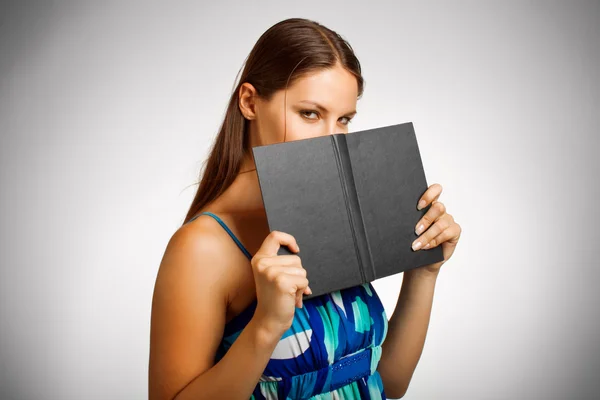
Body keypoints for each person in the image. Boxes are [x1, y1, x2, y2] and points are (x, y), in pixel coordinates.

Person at [148, 17, 462, 400]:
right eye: (310, 114)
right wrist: (265, 326)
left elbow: (388, 385)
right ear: (249, 102)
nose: (332, 139)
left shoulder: (334, 220)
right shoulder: (201, 248)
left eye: (343, 119)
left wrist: (424, 273)